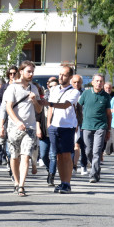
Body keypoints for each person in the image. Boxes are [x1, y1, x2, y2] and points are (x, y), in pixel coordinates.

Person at [5, 61, 44, 196]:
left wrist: (34, 100)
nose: (31, 74)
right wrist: (17, 122)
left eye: (32, 72)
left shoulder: (33, 88)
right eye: (29, 71)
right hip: (14, 128)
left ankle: (21, 185)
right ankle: (16, 181)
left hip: (30, 128)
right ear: (21, 71)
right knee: (14, 157)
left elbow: (39, 110)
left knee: (25, 155)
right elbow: (8, 108)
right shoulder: (12, 88)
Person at [46, 66, 81, 194]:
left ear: (70, 77)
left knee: (66, 155)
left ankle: (67, 183)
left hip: (67, 126)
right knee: (58, 156)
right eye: (60, 74)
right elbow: (50, 108)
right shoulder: (54, 89)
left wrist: (48, 104)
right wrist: (49, 123)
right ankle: (62, 182)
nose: (61, 77)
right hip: (54, 126)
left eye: (64, 75)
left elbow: (65, 105)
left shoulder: (74, 92)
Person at [78, 74, 111, 184]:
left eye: (101, 81)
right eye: (97, 81)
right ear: (92, 82)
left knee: (96, 151)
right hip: (86, 126)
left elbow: (108, 114)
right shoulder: (86, 93)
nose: (99, 83)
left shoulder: (106, 96)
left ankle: (93, 174)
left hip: (100, 127)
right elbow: (78, 107)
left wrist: (108, 129)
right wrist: (78, 122)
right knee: (88, 151)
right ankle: (96, 167)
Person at [0, 66, 18, 166]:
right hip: (5, 115)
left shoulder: (20, 85)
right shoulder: (4, 87)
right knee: (2, 137)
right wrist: (5, 109)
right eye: (10, 73)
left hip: (16, 116)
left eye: (14, 73)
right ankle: (2, 157)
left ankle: (10, 158)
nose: (12, 75)